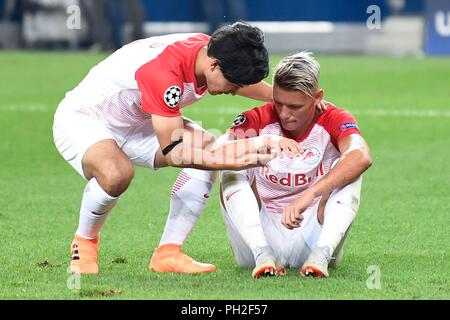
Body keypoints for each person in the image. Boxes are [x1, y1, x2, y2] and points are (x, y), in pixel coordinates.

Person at [53, 21, 303, 275]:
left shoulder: (214, 52)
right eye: (234, 84)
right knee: (117, 173)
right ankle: (84, 242)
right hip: (85, 120)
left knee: (207, 147)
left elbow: (239, 82)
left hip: (139, 120)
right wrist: (234, 162)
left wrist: (297, 101)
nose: (235, 91)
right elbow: (175, 153)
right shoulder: (164, 74)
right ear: (214, 66)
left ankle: (168, 253)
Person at [219, 51, 372, 278]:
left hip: (312, 232)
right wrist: (263, 143)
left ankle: (322, 254)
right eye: (278, 103)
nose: (284, 114)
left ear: (317, 97)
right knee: (230, 163)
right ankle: (262, 254)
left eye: (295, 107)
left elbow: (361, 156)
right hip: (258, 234)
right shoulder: (257, 118)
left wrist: (310, 195)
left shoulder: (334, 118)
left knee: (350, 168)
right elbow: (218, 153)